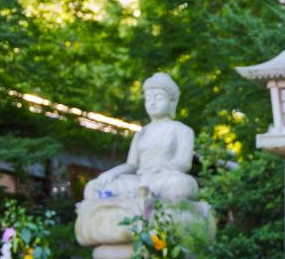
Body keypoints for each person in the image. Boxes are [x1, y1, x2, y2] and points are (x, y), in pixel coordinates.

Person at [85, 71, 199, 202]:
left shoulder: (182, 130)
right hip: (138, 180)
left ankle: (145, 197)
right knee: (92, 187)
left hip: (163, 179)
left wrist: (159, 168)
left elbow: (183, 164)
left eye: (159, 97)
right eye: (148, 98)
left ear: (172, 101)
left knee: (181, 185)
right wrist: (112, 173)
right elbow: (132, 164)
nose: (152, 102)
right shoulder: (141, 133)